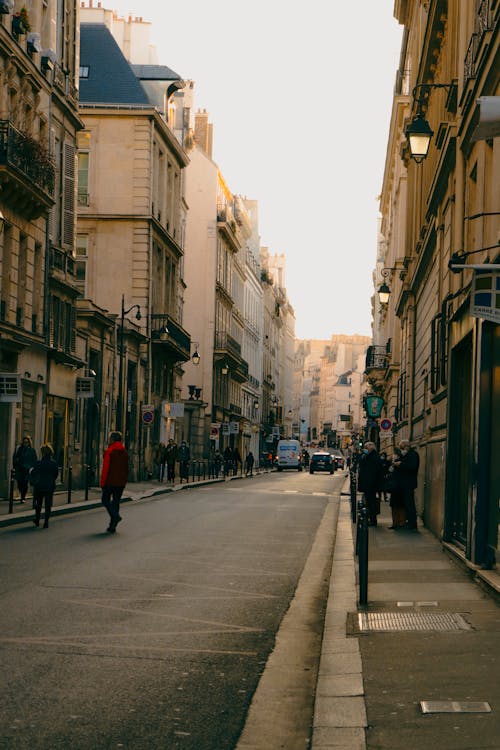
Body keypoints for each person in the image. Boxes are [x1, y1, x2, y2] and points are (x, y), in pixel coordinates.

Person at [100, 431, 129, 533]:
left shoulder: (110, 451)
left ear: (112, 439)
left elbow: (106, 469)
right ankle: (112, 526)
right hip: (120, 482)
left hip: (110, 481)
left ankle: (115, 517)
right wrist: (124, 480)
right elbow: (127, 468)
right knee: (116, 502)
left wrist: (102, 483)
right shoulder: (125, 452)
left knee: (105, 500)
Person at [393, 439, 420, 531]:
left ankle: (412, 524)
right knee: (406, 504)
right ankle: (408, 522)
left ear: (406, 447)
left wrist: (400, 464)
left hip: (408, 484)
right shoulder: (405, 455)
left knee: (410, 504)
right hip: (403, 484)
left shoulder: (413, 455)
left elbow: (412, 467)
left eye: (402, 448)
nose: (401, 450)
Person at [31, 444, 58, 528]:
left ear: (42, 453)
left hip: (39, 485)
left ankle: (37, 519)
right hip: (49, 485)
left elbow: (33, 473)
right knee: (48, 504)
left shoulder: (39, 463)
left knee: (38, 503)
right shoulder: (53, 463)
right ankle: (46, 522)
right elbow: (55, 474)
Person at [357, 441, 384, 526]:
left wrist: (371, 484)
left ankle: (372, 520)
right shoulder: (367, 456)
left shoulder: (374, 457)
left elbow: (373, 472)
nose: (365, 449)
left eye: (366, 447)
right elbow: (361, 464)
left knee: (371, 502)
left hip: (371, 485)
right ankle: (370, 518)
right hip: (368, 484)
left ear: (371, 448)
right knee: (368, 502)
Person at [13, 436, 37, 504]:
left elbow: (34, 460)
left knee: (25, 483)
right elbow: (16, 458)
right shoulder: (20, 449)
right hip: (20, 469)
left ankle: (23, 497)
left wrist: (32, 468)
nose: (25, 444)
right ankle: (21, 494)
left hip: (27, 470)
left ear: (29, 443)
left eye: (26, 442)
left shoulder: (32, 450)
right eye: (24, 442)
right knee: (19, 484)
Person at [387, 448, 406, 529]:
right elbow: (390, 472)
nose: (393, 456)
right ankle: (395, 522)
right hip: (395, 487)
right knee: (394, 505)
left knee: (400, 506)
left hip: (400, 486)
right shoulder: (393, 463)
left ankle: (401, 522)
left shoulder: (401, 462)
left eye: (395, 454)